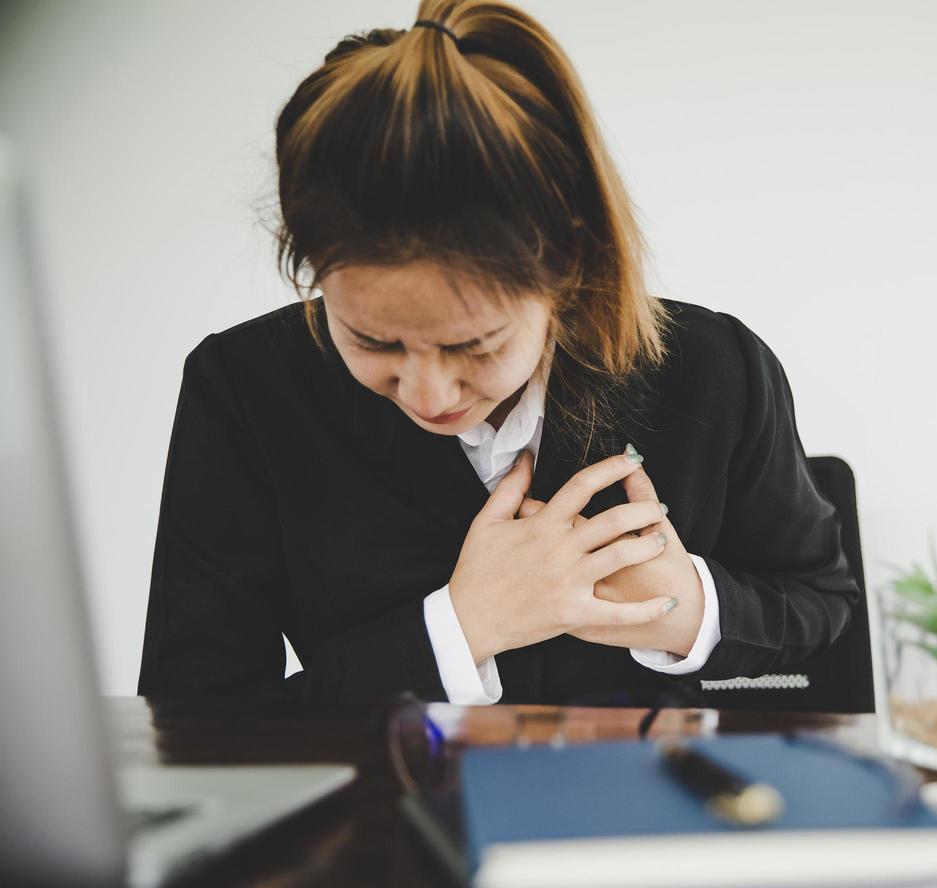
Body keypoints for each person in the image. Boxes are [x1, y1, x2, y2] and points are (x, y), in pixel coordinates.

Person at [137, 0, 860, 706]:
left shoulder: (715, 366)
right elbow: (193, 717)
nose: (428, 392)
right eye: (373, 339)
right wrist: (459, 628)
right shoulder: (241, 391)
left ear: (569, 265)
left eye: (472, 345)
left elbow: (822, 603)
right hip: (387, 815)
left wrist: (687, 606)